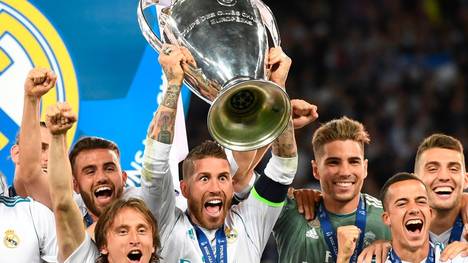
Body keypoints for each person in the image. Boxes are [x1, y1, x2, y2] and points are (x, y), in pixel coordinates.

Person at [140, 43, 299, 262]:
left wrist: (278, 84)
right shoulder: (165, 226)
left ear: (232, 186)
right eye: (204, 178)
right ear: (184, 189)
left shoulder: (249, 223)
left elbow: (283, 168)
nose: (215, 188)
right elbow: (155, 167)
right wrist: (173, 83)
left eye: (223, 177)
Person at [44, 102, 161, 263]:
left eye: (142, 231)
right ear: (103, 245)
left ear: (154, 244)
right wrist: (57, 137)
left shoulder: (150, 206)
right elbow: (62, 203)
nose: (135, 240)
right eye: (122, 232)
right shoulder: (85, 258)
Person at [273, 116, 391, 263]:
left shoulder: (390, 219)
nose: (344, 172)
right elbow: (242, 183)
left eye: (353, 161)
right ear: (316, 170)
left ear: (365, 168)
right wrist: (280, 118)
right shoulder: (292, 212)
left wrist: (394, 246)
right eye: (333, 162)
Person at [380, 172, 468, 262]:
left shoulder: (460, 259)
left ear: (430, 213)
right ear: (387, 218)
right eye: (402, 204)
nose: (414, 209)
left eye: (421, 202)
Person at [10, 68, 54, 208]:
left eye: (56, 153)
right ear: (17, 153)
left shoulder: (76, 210)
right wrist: (32, 98)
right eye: (41, 148)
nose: (49, 158)